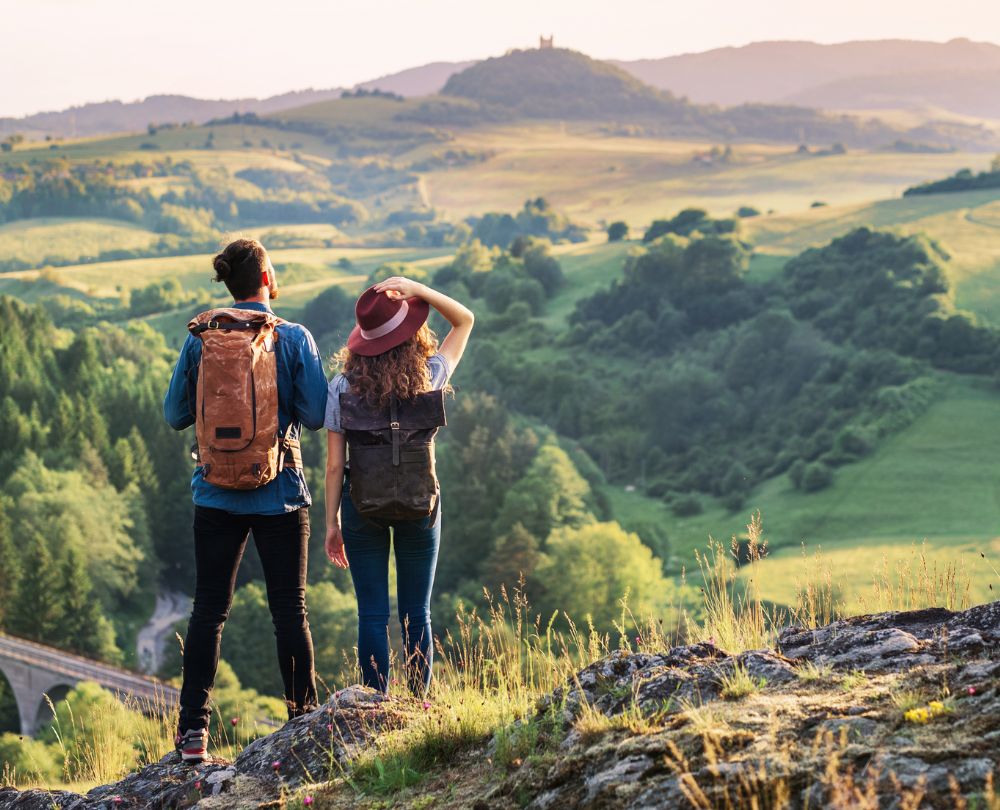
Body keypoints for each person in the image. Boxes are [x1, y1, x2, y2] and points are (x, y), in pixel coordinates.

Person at [163, 238, 328, 763]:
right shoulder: (293, 337)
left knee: (208, 610)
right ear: (267, 278)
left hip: (214, 493)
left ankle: (193, 733)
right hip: (280, 492)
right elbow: (318, 415)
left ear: (229, 283)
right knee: (290, 611)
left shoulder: (200, 339)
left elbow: (174, 415)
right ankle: (302, 723)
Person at [324, 276, 474, 694]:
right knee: (416, 612)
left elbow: (334, 467)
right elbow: (464, 320)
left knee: (372, 614)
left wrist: (332, 524)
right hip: (420, 503)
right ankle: (420, 701)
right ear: (412, 335)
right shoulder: (430, 375)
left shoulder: (342, 387)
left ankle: (375, 702)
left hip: (361, 505)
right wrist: (418, 289)